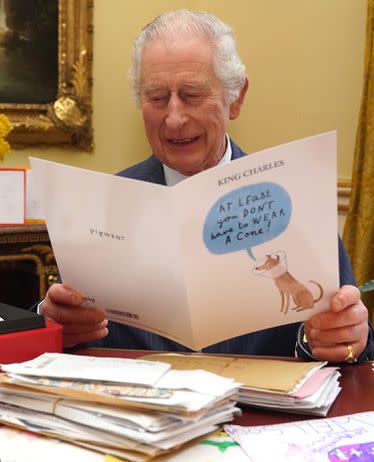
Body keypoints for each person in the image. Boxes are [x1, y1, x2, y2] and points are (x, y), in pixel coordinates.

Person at [41, 9, 373, 363]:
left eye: (192, 94)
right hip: (142, 413)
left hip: (259, 414)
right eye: (156, 98)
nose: (174, 118)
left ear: (237, 96)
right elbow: (68, 335)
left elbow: (350, 347)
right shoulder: (104, 203)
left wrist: (348, 338)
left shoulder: (294, 197)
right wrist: (54, 325)